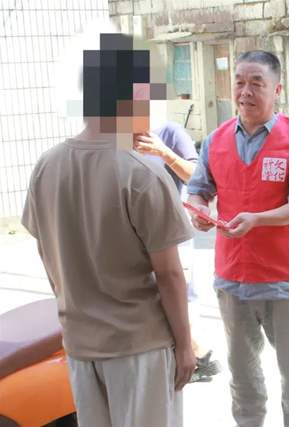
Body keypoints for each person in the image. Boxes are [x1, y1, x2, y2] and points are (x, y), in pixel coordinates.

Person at [21, 33, 195, 427]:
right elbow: (169, 274)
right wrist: (185, 346)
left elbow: (47, 255)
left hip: (80, 346)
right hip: (139, 346)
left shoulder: (46, 166)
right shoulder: (141, 173)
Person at [186, 50, 289, 427]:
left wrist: (257, 220)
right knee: (243, 376)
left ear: (277, 90)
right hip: (233, 279)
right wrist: (199, 210)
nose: (245, 91)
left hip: (283, 280)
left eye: (256, 83)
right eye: (239, 82)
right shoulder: (215, 141)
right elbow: (198, 189)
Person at [134, 122, 221, 382]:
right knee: (153, 300)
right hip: (135, 239)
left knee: (178, 294)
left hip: (171, 235)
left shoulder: (169, 133)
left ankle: (195, 356)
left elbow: (198, 178)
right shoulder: (113, 138)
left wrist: (164, 152)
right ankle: (196, 356)